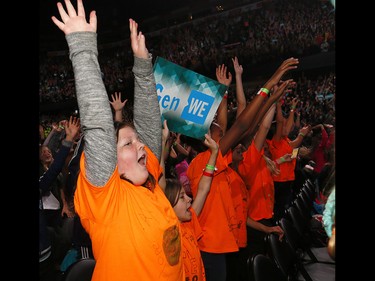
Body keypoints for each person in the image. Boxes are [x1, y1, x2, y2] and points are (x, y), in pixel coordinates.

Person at [51, 1, 184, 280]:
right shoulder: (107, 199)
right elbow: (98, 125)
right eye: (127, 144)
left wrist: (143, 66)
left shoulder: (148, 182)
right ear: (110, 162)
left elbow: (148, 126)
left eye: (136, 142)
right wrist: (82, 45)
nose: (140, 146)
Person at [187, 57, 299, 281]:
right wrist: (270, 82)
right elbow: (242, 125)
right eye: (220, 129)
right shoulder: (202, 161)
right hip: (209, 248)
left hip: (223, 244)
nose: (225, 128)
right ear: (207, 137)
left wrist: (273, 98)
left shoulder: (222, 162)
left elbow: (249, 126)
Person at [162, 120, 219, 281]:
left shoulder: (190, 223)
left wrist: (214, 153)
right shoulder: (165, 234)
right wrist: (163, 142)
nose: (188, 199)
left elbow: (203, 190)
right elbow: (158, 174)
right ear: (167, 206)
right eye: (181, 197)